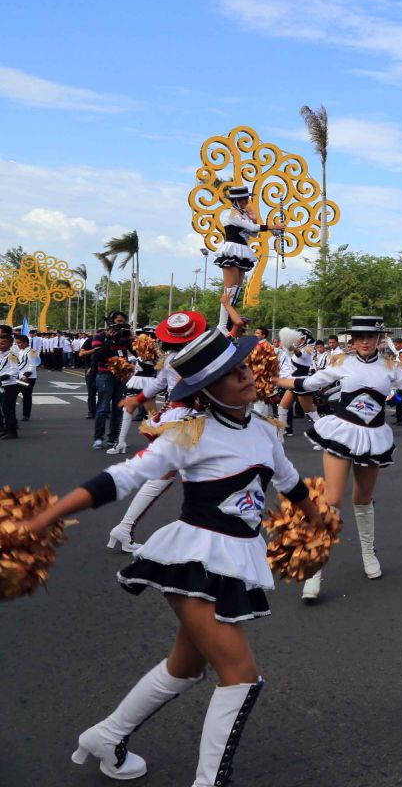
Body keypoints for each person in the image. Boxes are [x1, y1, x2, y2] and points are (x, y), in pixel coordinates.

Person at [15, 327, 326, 786]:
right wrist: (44, 519)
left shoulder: (264, 429)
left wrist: (319, 526)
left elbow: (293, 484)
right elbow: (120, 478)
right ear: (206, 390)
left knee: (185, 666)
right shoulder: (190, 433)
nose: (244, 376)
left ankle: (106, 736)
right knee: (241, 678)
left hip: (236, 560)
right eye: (229, 374)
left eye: (242, 366)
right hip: (194, 562)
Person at [276, 316, 402, 602]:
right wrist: (268, 379)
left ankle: (368, 553)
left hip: (374, 437)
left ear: (380, 338)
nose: (364, 341)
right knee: (332, 500)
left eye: (370, 336)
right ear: (352, 339)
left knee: (362, 499)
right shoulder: (341, 362)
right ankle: (315, 569)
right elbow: (307, 383)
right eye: (358, 336)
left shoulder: (391, 367)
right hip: (341, 432)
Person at [107, 311, 213, 553]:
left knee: (200, 474)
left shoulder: (170, 358)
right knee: (171, 475)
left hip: (183, 418)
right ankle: (126, 527)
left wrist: (137, 399)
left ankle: (201, 532)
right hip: (186, 419)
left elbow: (158, 384)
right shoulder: (190, 360)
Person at [213, 184, 261, 327]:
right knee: (230, 289)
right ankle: (222, 324)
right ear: (237, 200)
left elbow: (252, 233)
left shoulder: (243, 215)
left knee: (237, 289)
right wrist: (273, 227)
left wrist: (254, 217)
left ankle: (229, 320)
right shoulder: (231, 213)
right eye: (244, 199)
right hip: (232, 249)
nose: (247, 201)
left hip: (242, 250)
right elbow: (253, 228)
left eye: (247, 198)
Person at [91, 317, 132, 450]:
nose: (122, 324)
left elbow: (136, 352)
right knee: (103, 408)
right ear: (111, 323)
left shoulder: (125, 336)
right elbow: (98, 357)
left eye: (123, 321)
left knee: (118, 409)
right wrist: (109, 341)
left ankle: (113, 438)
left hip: (121, 376)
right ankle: (98, 438)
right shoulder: (100, 336)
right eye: (119, 321)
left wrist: (134, 339)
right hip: (105, 375)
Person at [0, 326, 19, 440]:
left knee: (9, 409)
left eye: (2, 344)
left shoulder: (11, 355)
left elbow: (14, 370)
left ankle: (12, 431)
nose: (0, 345)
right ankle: (7, 429)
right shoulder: (3, 355)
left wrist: (2, 377)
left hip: (10, 385)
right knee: (5, 409)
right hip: (3, 385)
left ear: (9, 344)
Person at [15, 332, 37, 424]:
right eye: (17, 343)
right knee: (12, 395)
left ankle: (26, 415)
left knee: (26, 396)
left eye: (19, 343)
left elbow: (33, 365)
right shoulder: (20, 351)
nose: (18, 345)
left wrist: (26, 375)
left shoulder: (32, 351)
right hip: (19, 376)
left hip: (28, 378)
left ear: (25, 342)